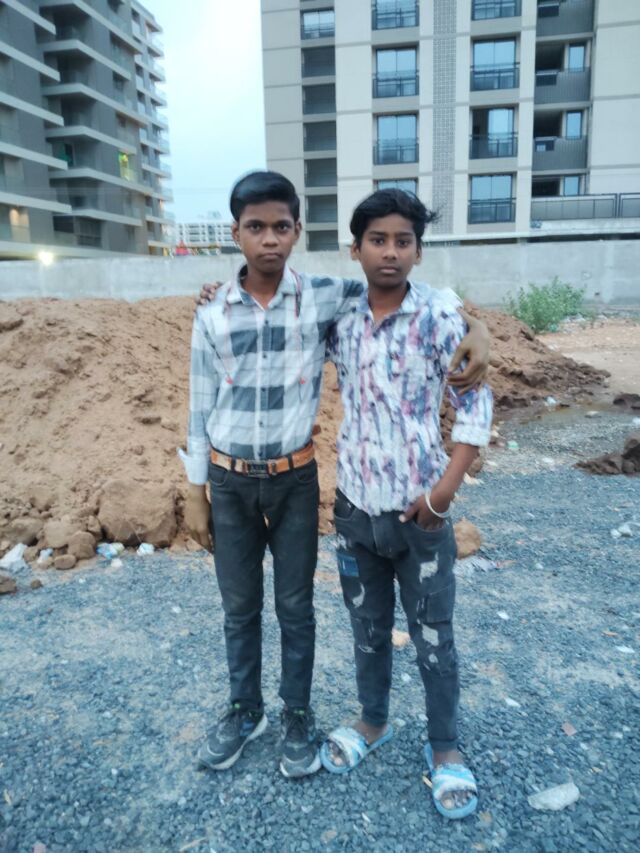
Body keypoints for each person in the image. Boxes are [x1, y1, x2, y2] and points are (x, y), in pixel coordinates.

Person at [182, 170, 490, 780]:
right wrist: (195, 487)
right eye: (255, 227)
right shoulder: (258, 311)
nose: (269, 239)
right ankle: (283, 714)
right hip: (295, 495)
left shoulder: (372, 306)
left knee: (373, 621)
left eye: (281, 226)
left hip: (360, 496)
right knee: (290, 615)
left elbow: (439, 324)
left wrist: (477, 325)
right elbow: (203, 396)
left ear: (297, 231)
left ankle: (414, 740)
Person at [318, 189, 493, 821]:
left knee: (433, 635)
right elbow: (277, 297)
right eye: (377, 240)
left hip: (421, 513)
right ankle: (373, 721)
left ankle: (444, 745)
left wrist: (443, 494)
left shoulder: (439, 318)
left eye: (403, 241)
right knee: (367, 630)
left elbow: (474, 406)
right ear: (355, 249)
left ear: (418, 250)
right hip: (355, 510)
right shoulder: (337, 315)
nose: (390, 252)